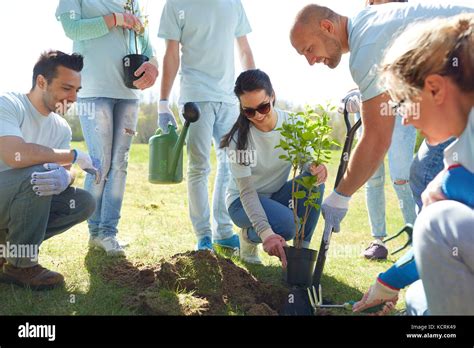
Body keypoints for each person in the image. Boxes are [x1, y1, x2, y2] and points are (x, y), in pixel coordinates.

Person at [289, 2, 473, 254]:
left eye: (309, 49)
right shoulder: (368, 22)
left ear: (327, 26)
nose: (310, 61)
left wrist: (341, 196)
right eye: (303, 55)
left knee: (426, 176)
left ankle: (443, 269)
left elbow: (376, 138)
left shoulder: (365, 47)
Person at [354, 13, 474, 315]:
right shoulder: (461, 147)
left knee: (436, 220)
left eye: (403, 103)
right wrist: (388, 282)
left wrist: (452, 188)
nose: (404, 119)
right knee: (418, 297)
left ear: (434, 88)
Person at [56, 0, 159, 256]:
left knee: (120, 164)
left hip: (129, 93)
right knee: (100, 162)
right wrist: (115, 19)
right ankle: (94, 232)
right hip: (94, 90)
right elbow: (72, 28)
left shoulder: (132, 1)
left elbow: (144, 41)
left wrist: (153, 64)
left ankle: (108, 232)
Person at [158, 0, 256, 251]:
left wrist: (255, 90)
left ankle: (223, 231)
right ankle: (203, 235)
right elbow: (171, 54)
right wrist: (163, 102)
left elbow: (244, 49)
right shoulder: (176, 5)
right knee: (199, 166)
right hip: (195, 97)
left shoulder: (233, 4)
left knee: (230, 165)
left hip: (228, 98)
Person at [0, 51, 97, 290]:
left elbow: (61, 170)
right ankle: (21, 266)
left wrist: (67, 175)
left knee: (83, 201)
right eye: (66, 88)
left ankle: (8, 250)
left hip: (17, 201)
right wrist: (73, 156)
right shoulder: (9, 104)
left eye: (77, 90)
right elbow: (15, 155)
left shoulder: (61, 128)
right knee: (39, 174)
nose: (73, 97)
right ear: (42, 82)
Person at [220, 69, 327, 265]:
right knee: (288, 225)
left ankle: (301, 252)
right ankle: (247, 236)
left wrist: (316, 167)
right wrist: (266, 233)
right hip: (242, 202)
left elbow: (307, 162)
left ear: (273, 97)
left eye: (263, 107)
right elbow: (247, 192)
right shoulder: (239, 140)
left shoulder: (294, 124)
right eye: (249, 111)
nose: (258, 116)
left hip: (276, 196)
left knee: (314, 182)